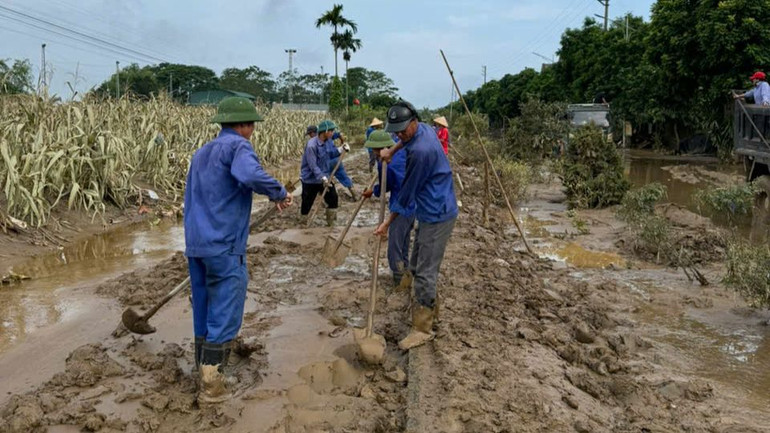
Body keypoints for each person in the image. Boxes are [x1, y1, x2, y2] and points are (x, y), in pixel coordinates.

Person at [184, 97, 293, 404]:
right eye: (251, 126)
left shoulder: (202, 152)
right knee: (225, 308)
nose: (252, 132)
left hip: (197, 245)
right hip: (224, 245)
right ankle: (213, 384)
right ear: (245, 126)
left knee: (203, 307)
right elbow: (250, 175)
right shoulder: (238, 147)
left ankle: (201, 368)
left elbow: (191, 197)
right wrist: (279, 192)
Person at [377, 100, 458, 351]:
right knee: (416, 257)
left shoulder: (421, 152)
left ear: (414, 121)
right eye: (396, 131)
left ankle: (423, 328)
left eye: (403, 130)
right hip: (429, 206)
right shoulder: (422, 128)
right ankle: (422, 303)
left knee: (425, 270)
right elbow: (407, 140)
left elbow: (406, 194)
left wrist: (387, 223)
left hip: (437, 212)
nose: (400, 134)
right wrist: (393, 149)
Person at [362, 130, 416, 288]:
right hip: (414, 205)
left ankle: (399, 278)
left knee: (394, 245)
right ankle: (405, 271)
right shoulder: (402, 153)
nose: (373, 152)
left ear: (381, 148)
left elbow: (395, 187)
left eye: (374, 149)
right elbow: (388, 184)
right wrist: (374, 191)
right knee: (403, 242)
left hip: (402, 206)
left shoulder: (387, 163)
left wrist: (387, 220)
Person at [300, 119, 349, 226]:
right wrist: (322, 177)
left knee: (333, 198)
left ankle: (331, 223)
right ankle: (304, 223)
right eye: (331, 131)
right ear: (324, 131)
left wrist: (341, 149)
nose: (332, 133)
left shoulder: (328, 141)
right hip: (311, 179)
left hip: (325, 176)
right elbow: (312, 165)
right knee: (307, 203)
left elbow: (330, 154)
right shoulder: (311, 145)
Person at [306, 125, 357, 201]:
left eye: (310, 134)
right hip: (337, 160)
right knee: (344, 177)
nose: (310, 136)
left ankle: (329, 199)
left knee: (324, 180)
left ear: (314, 132)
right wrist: (343, 143)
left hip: (327, 163)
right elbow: (339, 134)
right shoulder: (327, 135)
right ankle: (355, 196)